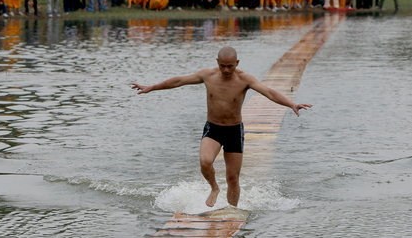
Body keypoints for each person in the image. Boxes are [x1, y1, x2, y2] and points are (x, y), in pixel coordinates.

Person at [131, 46, 311, 208]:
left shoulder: (245, 79)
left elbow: (269, 92)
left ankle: (232, 210)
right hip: (214, 129)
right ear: (217, 62)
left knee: (233, 178)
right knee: (205, 161)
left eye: (230, 66)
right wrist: (151, 87)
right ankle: (214, 188)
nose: (226, 70)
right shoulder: (207, 76)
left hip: (234, 131)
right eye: (222, 65)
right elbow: (178, 81)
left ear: (237, 63)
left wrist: (291, 104)